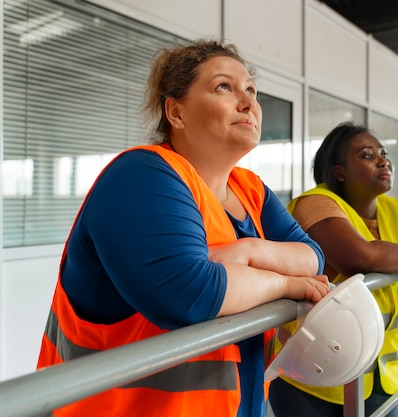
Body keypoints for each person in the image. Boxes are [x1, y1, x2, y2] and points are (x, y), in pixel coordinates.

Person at [36, 39, 331, 417]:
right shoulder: (142, 175)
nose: (248, 102)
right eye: (224, 87)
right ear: (176, 112)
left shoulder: (251, 189)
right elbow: (191, 293)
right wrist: (287, 284)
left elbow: (313, 258)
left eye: (251, 90)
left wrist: (249, 252)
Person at [268, 122, 398, 417]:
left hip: (380, 377)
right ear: (339, 171)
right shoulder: (315, 204)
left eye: (384, 153)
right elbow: (360, 257)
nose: (384, 160)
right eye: (368, 155)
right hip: (315, 375)